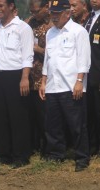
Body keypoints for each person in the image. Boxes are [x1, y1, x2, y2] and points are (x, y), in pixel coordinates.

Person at [0, 0, 34, 168]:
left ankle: (20, 156)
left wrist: (24, 77)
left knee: (17, 117)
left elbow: (27, 55)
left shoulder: (22, 28)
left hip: (16, 75)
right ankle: (3, 155)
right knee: (0, 117)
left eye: (1, 6)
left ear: (11, 6)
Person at [39, 0, 90, 171]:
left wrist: (79, 81)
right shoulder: (50, 33)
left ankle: (82, 157)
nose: (54, 17)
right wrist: (44, 81)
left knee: (76, 125)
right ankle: (56, 155)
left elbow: (84, 59)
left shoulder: (78, 32)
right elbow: (48, 59)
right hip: (53, 85)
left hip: (71, 85)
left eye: (57, 13)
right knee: (53, 125)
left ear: (67, 13)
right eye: (52, 13)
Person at [26, 0, 51, 155]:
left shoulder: (53, 24)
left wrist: (38, 49)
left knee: (45, 115)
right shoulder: (29, 23)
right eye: (32, 12)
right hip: (30, 77)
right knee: (32, 114)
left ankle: (48, 147)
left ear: (46, 7)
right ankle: (34, 145)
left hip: (45, 76)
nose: (34, 14)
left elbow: (55, 53)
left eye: (36, 11)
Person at [85, 0, 100, 155]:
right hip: (88, 74)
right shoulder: (89, 18)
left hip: (98, 73)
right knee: (91, 111)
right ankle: (93, 145)